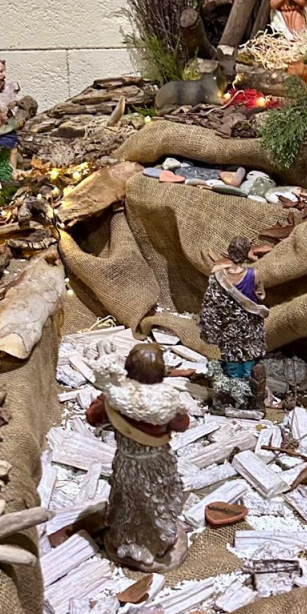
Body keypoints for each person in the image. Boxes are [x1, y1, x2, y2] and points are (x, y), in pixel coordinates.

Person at [85, 343, 190, 571]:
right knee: (157, 501)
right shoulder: (167, 400)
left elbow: (93, 418)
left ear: (129, 369)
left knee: (129, 502)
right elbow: (182, 424)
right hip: (158, 462)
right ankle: (158, 541)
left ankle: (130, 539)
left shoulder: (116, 396)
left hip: (128, 462)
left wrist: (105, 396)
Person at [199, 236, 269, 380]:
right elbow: (261, 296)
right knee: (249, 350)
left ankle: (234, 380)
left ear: (230, 252)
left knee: (231, 352)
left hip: (228, 325)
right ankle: (248, 379)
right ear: (246, 253)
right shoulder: (254, 274)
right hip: (249, 323)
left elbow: (211, 302)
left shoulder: (218, 276)